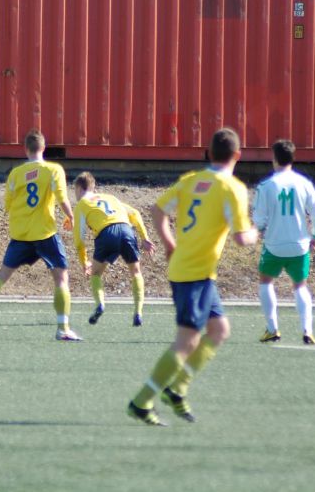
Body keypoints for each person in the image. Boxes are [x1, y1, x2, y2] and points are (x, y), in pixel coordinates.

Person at [127, 128, 258, 426]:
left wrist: (168, 243)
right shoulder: (232, 188)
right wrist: (255, 232)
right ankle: (141, 401)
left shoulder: (191, 182)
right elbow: (241, 238)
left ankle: (177, 388)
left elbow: (158, 209)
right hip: (193, 273)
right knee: (186, 342)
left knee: (219, 330)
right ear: (237, 156)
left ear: (209, 153)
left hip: (195, 271)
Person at [0, 129, 82, 341]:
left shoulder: (15, 174)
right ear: (44, 148)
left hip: (20, 234)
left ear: (25, 149)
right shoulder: (53, 169)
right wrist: (70, 216)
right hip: (45, 232)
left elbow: (7, 205)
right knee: (61, 278)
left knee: (2, 275)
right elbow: (61, 197)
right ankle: (63, 327)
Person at [252, 139, 315, 345]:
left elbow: (259, 219)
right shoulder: (304, 183)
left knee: (266, 282)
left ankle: (272, 328)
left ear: (274, 159)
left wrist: (258, 231)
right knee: (300, 285)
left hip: (274, 244)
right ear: (293, 158)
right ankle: (307, 330)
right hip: (299, 245)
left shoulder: (266, 186)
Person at [71, 171, 154, 327]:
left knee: (95, 274)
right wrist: (144, 237)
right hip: (126, 230)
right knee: (136, 272)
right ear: (93, 187)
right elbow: (135, 213)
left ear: (78, 188)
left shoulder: (81, 205)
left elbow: (79, 240)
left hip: (106, 233)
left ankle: (100, 304)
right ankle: (138, 312)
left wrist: (84, 262)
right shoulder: (111, 197)